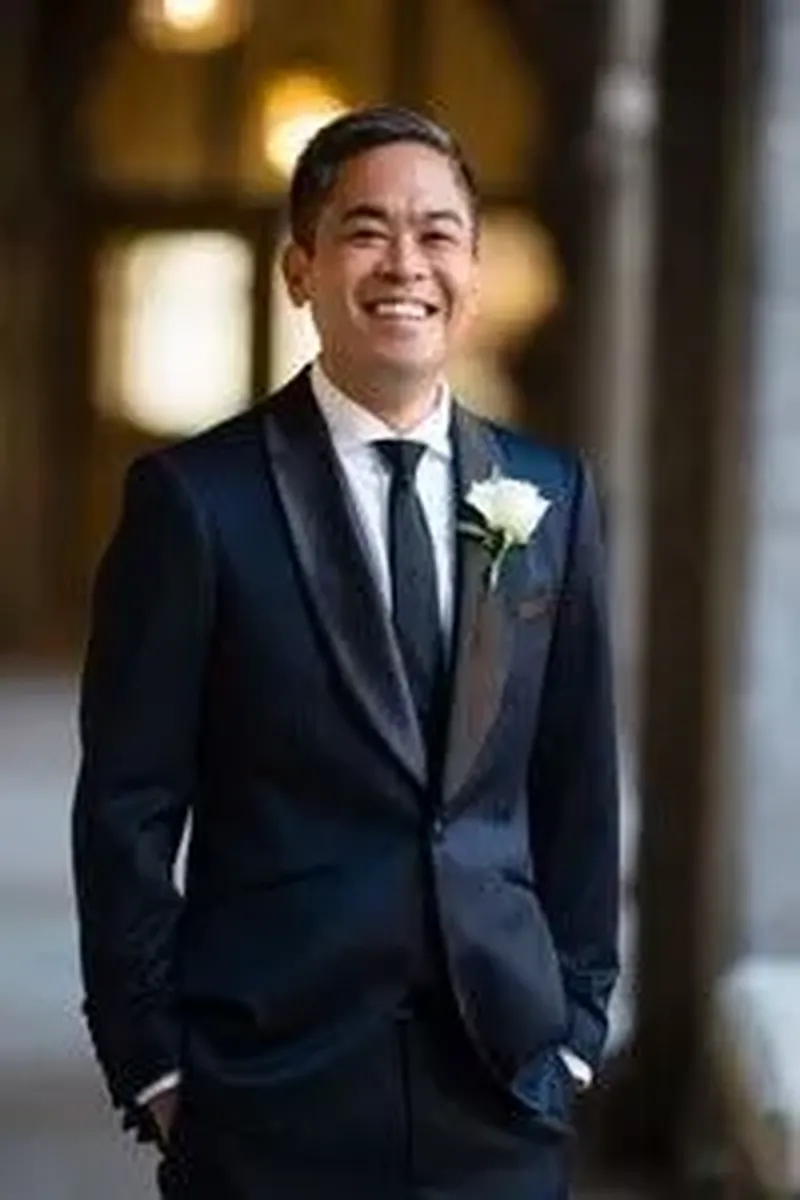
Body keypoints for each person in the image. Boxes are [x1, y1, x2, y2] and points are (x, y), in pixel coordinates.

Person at [72, 105, 620, 1199]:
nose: (403, 263)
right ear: (299, 269)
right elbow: (129, 807)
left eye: (436, 233)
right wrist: (158, 1062)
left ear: (472, 265)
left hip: (498, 1085)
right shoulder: (193, 503)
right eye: (365, 231)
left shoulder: (550, 496)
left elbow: (575, 777)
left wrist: (572, 1023)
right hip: (264, 1085)